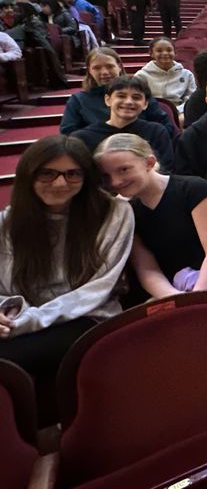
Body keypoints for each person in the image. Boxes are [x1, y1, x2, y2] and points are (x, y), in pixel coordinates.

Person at [0, 135, 133, 420]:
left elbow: (98, 289)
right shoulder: (9, 221)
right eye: (47, 173)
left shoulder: (114, 213)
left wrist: (27, 322)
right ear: (29, 174)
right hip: (22, 314)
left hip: (88, 317)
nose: (60, 183)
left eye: (73, 174)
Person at [94, 134, 207, 321]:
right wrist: (175, 299)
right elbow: (147, 269)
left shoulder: (193, 189)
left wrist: (197, 298)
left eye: (124, 170)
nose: (115, 182)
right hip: (172, 289)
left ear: (149, 163)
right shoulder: (127, 212)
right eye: (107, 176)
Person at [60, 47, 175, 137]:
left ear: (119, 66)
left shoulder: (139, 94)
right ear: (89, 70)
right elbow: (69, 135)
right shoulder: (78, 100)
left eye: (110, 66)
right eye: (97, 68)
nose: (104, 72)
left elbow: (166, 128)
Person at [71, 76, 174, 167]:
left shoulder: (156, 132)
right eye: (121, 96)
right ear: (108, 100)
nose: (128, 102)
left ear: (145, 104)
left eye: (136, 97)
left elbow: (166, 171)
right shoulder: (82, 138)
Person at [7, 3, 69, 88]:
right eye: (14, 11)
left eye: (17, 11)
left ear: (26, 11)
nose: (14, 14)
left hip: (38, 49)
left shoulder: (34, 22)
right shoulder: (20, 22)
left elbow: (41, 39)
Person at [135, 36, 196, 112]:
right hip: (152, 112)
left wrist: (178, 111)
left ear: (175, 52)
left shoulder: (187, 74)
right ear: (151, 53)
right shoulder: (141, 76)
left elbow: (191, 97)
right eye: (159, 51)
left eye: (169, 50)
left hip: (180, 112)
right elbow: (139, 98)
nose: (165, 53)